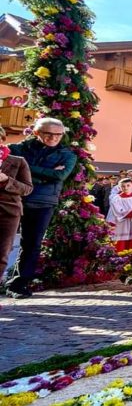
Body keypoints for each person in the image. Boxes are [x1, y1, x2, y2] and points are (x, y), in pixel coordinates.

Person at [6, 118, 76, 298]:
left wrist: (26, 169)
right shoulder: (17, 149)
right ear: (37, 133)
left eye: (58, 134)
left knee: (31, 244)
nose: (54, 138)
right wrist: (45, 175)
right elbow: (9, 170)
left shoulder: (67, 154)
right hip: (13, 199)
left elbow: (59, 175)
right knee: (3, 242)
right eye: (49, 134)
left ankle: (18, 285)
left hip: (42, 203)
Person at [0, 126, 33, 281]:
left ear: (2, 139)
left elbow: (27, 188)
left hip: (8, 212)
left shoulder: (17, 162)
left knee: (1, 253)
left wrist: (7, 180)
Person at [109, 178, 132, 252]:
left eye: (128, 185)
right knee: (121, 242)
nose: (126, 188)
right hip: (122, 224)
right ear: (120, 187)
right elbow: (117, 211)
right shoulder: (116, 199)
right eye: (123, 186)